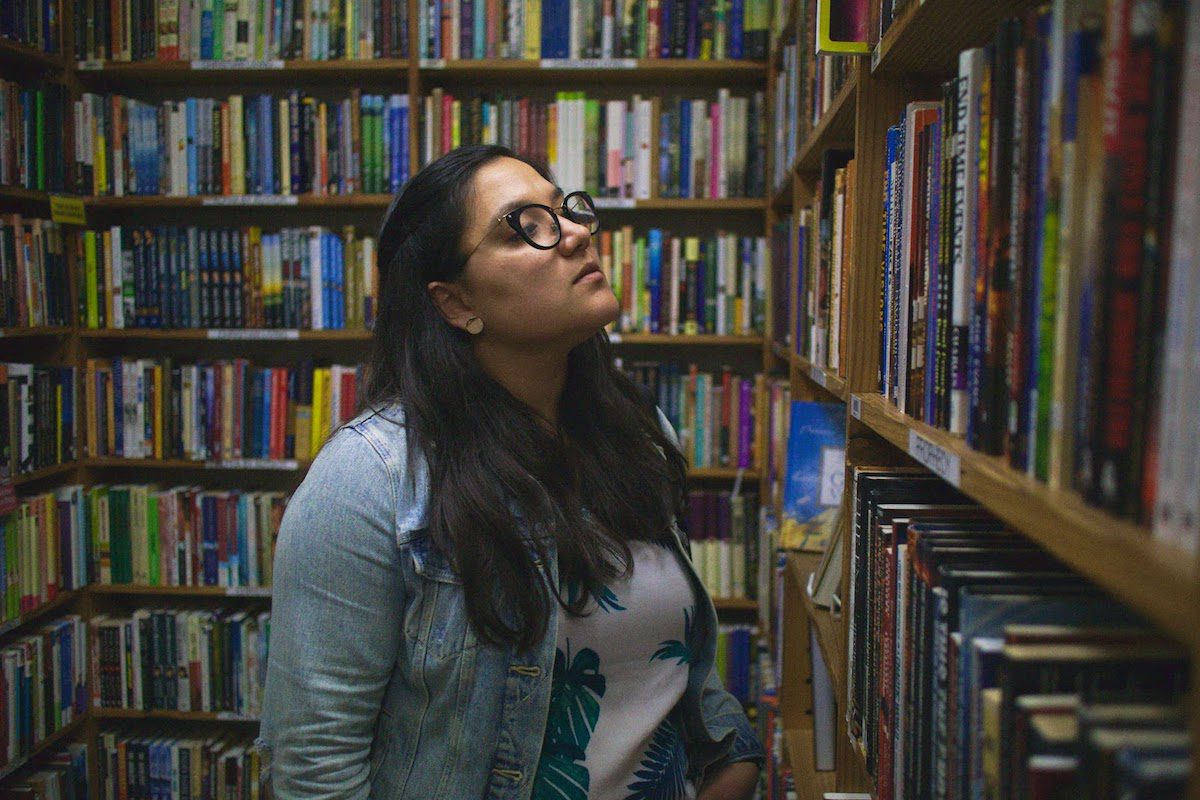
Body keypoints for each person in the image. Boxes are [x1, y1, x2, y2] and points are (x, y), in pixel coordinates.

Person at [258, 144, 763, 800]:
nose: (580, 234)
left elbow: (685, 686)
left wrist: (734, 767)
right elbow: (314, 774)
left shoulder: (641, 437)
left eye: (567, 210)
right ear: (454, 302)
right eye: (525, 225)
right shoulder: (365, 483)